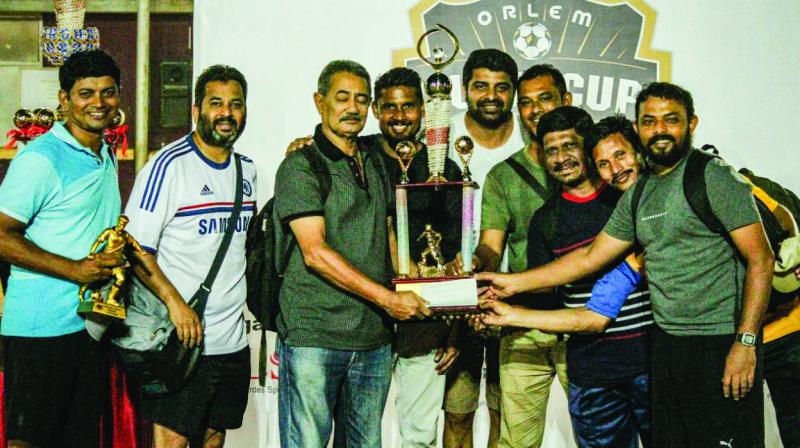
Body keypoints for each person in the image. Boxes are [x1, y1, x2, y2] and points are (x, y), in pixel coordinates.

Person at [479, 83, 774, 447]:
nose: (615, 168)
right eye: (649, 121)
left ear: (691, 123)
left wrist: (745, 343)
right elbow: (589, 258)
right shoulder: (637, 195)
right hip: (666, 348)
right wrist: (511, 284)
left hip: (719, 342)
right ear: (639, 129)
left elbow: (761, 259)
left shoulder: (710, 175)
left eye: (670, 120)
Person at [273, 60, 430, 448]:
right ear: (319, 102)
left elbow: (391, 233)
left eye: (362, 99)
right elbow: (315, 253)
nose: (353, 108)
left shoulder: (376, 159)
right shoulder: (300, 165)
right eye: (342, 98)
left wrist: (432, 288)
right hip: (315, 333)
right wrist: (389, 300)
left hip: (373, 338)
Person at [479, 113, 653, 447]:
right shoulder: (546, 219)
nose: (561, 158)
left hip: (650, 361)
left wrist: (512, 292)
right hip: (592, 373)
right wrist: (505, 293)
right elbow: (561, 286)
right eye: (551, 151)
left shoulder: (626, 196)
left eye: (570, 146)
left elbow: (592, 263)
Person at [124, 64, 256, 448]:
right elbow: (135, 246)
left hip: (231, 344)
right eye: (216, 103)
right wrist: (175, 304)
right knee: (173, 442)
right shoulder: (168, 166)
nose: (227, 113)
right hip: (181, 341)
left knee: (214, 439)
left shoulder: (247, 171)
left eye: (236, 104)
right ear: (196, 110)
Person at [0, 49, 125, 448]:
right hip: (38, 329)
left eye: (107, 92)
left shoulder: (104, 152)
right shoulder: (40, 158)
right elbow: (2, 235)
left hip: (87, 327)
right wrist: (75, 270)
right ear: (64, 99)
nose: (98, 103)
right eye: (86, 93)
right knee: (30, 440)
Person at [453, 64, 572, 447]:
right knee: (516, 440)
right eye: (527, 103)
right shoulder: (504, 176)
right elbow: (491, 246)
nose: (536, 109)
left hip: (586, 320)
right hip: (524, 322)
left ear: (565, 101)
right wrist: (476, 264)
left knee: (600, 433)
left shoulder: (598, 164)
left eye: (545, 99)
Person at [444, 49, 523, 448]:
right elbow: (390, 151)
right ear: (464, 90)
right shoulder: (439, 138)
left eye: (501, 87)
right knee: (457, 412)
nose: (491, 96)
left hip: (518, 298)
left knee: (506, 414)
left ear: (513, 93)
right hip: (456, 303)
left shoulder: (534, 140)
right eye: (480, 86)